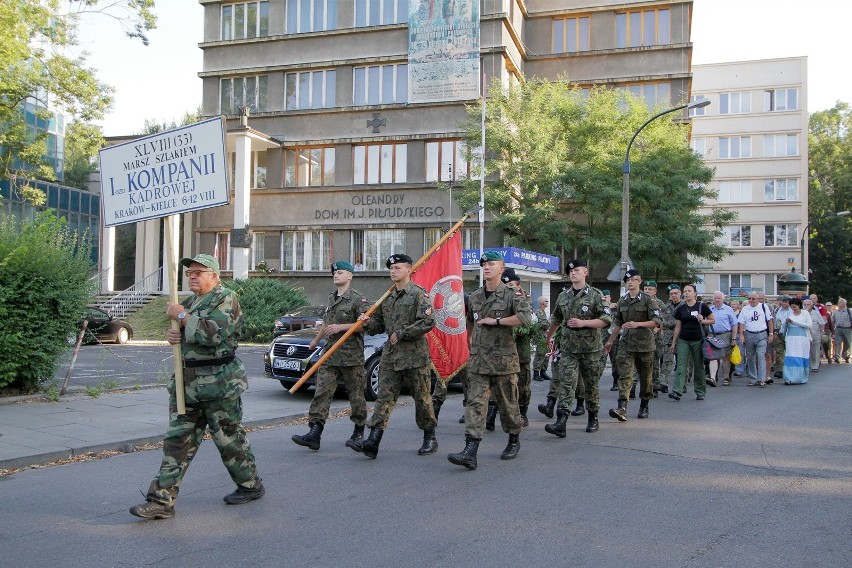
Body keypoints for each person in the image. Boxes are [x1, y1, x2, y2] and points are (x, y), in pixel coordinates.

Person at [130, 254, 263, 520]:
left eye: (198, 272)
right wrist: (174, 336)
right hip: (187, 385)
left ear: (214, 275)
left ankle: (250, 485)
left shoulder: (226, 297)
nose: (192, 276)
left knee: (229, 440)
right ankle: (161, 500)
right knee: (177, 440)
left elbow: (213, 334)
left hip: (219, 384)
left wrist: (181, 316)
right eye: (189, 272)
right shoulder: (191, 301)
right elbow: (190, 334)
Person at [448, 251, 531, 470]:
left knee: (508, 405)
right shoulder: (474, 296)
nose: (486, 267)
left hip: (503, 362)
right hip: (479, 362)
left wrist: (496, 321)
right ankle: (470, 451)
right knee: (475, 404)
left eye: (491, 264)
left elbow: (525, 319)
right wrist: (469, 343)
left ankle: (514, 439)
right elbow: (470, 323)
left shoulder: (512, 295)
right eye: (484, 264)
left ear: (501, 269)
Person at [349, 253, 438, 459]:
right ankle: (373, 440)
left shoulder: (418, 294)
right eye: (391, 268)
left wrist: (403, 333)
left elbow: (428, 321)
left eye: (398, 268)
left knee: (422, 399)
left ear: (409, 270)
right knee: (384, 398)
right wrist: (366, 322)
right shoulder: (387, 297)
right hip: (390, 356)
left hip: (414, 357)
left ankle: (429, 437)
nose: (393, 271)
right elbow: (378, 324)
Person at [291, 261, 369, 452]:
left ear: (350, 276)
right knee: (322, 392)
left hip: (351, 357)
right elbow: (327, 323)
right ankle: (315, 432)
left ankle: (358, 431)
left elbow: (366, 325)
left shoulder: (358, 299)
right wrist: (315, 341)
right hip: (330, 355)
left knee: (356, 396)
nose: (336, 275)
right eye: (334, 273)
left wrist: (342, 327)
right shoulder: (332, 298)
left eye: (340, 272)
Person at [543, 259, 611, 436]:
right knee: (567, 384)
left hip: (590, 349)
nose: (573, 273)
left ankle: (593, 417)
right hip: (568, 349)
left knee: (591, 385)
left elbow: (606, 320)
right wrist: (549, 335)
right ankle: (561, 421)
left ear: (585, 272)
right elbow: (557, 318)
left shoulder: (596, 295)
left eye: (577, 270)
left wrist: (583, 323)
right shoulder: (563, 296)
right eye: (571, 271)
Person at [604, 268, 662, 421]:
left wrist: (638, 324)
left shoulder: (649, 300)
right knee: (625, 375)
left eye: (633, 279)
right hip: (627, 343)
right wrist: (610, 341)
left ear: (639, 281)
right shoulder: (622, 301)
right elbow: (618, 323)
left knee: (646, 377)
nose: (630, 282)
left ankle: (644, 405)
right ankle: (622, 407)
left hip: (645, 345)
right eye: (627, 280)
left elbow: (657, 322)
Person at [668, 284, 715, 401]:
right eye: (685, 291)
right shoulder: (681, 309)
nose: (687, 293)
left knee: (698, 367)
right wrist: (674, 343)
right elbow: (678, 326)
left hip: (698, 340)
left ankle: (700, 391)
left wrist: (702, 320)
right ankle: (677, 391)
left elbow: (713, 320)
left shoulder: (702, 306)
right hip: (683, 340)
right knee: (681, 366)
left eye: (689, 291)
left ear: (695, 293)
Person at [501, 268, 533, 426]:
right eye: (506, 285)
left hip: (521, 351)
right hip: (504, 351)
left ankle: (523, 412)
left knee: (523, 384)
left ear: (518, 285)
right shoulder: (501, 299)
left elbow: (527, 325)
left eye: (512, 285)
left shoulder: (524, 300)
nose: (509, 288)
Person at [736, 291, 774, 387]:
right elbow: (741, 323)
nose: (751, 300)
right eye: (749, 299)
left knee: (761, 356)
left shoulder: (763, 307)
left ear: (757, 299)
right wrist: (741, 335)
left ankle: (762, 379)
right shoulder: (745, 309)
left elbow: (770, 321)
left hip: (761, 334)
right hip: (749, 334)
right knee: (750, 357)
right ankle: (753, 378)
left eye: (753, 299)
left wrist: (771, 334)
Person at [642, 281, 667, 397]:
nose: (647, 291)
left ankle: (655, 386)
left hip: (656, 337)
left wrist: (658, 328)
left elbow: (664, 320)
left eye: (650, 289)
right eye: (645, 289)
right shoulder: (641, 301)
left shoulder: (660, 304)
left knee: (655, 362)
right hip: (642, 336)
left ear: (655, 291)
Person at [707, 291, 738, 386]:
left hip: (725, 335)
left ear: (722, 299)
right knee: (713, 356)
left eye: (718, 298)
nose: (717, 300)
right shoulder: (709, 309)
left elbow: (734, 324)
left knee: (726, 357)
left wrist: (733, 338)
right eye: (715, 298)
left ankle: (726, 377)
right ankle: (713, 377)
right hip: (712, 335)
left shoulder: (728, 309)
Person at [659, 284, 684, 393]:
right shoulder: (666, 307)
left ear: (680, 294)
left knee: (682, 362)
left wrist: (672, 323)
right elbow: (663, 321)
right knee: (667, 361)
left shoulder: (685, 305)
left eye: (676, 293)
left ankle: (682, 383)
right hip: (668, 337)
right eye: (671, 294)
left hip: (683, 337)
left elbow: (685, 321)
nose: (674, 295)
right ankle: (663, 383)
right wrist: (674, 323)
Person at [782, 297, 812, 384]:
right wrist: (786, 322)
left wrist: (794, 322)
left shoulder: (805, 313)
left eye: (795, 307)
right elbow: (784, 326)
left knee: (800, 356)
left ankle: (800, 377)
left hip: (802, 339)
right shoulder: (789, 313)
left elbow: (809, 325)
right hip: (791, 338)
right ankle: (789, 377)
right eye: (792, 307)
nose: (793, 309)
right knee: (790, 356)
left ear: (799, 305)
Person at [771, 296, 792, 381]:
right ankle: (779, 370)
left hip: (789, 334)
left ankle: (789, 369)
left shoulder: (792, 311)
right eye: (783, 302)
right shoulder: (776, 311)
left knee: (789, 352)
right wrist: (774, 332)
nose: (784, 303)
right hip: (779, 333)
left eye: (786, 302)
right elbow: (774, 322)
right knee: (779, 352)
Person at [803, 299, 825, 373]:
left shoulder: (816, 314)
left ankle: (815, 365)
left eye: (808, 304)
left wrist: (821, 332)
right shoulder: (801, 314)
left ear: (811, 305)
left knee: (815, 351)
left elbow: (822, 323)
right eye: (804, 304)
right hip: (804, 335)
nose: (806, 306)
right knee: (805, 351)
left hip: (815, 335)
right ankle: (806, 365)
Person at [532, 296, 551, 381]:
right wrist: (550, 322)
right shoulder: (539, 312)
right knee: (540, 354)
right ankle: (536, 373)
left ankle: (543, 372)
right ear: (542, 302)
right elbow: (544, 324)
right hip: (540, 336)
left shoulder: (543, 312)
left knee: (546, 353)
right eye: (546, 301)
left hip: (544, 335)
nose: (547, 302)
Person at [831, 297, 852, 363]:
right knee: (838, 343)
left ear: (844, 303)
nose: (839, 303)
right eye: (839, 302)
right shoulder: (835, 312)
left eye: (841, 302)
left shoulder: (849, 311)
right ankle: (838, 357)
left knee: (848, 343)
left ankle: (848, 357)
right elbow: (832, 320)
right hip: (838, 329)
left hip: (847, 329)